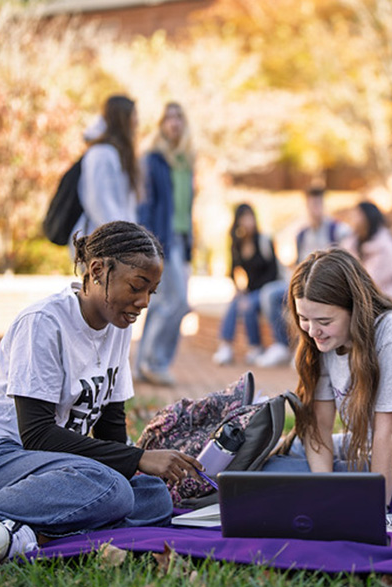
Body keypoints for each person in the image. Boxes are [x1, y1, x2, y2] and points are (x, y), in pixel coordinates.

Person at [0, 222, 204, 563]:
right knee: (109, 488)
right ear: (98, 270)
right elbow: (37, 434)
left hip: (46, 471)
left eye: (151, 293)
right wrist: (137, 458)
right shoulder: (44, 322)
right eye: (137, 287)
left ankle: (20, 533)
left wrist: (139, 465)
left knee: (153, 496)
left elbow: (111, 430)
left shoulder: (117, 328)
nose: (142, 303)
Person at [261, 248, 392, 506]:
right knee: (270, 456)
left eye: (324, 320)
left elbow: (387, 433)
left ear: (355, 309)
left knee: (271, 476)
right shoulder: (326, 340)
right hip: (364, 447)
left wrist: (375, 508)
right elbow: (319, 429)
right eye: (304, 318)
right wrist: (323, 487)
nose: (313, 331)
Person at [135, 102, 197, 386]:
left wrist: (190, 243)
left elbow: (187, 207)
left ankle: (142, 364)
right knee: (178, 302)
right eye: (168, 118)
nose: (173, 123)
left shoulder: (186, 161)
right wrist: (146, 243)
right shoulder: (153, 160)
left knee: (162, 304)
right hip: (162, 239)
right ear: (161, 124)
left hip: (181, 240)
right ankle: (155, 362)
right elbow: (147, 204)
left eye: (178, 118)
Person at [256, 186, 351, 368]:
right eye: (311, 204)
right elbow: (298, 263)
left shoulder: (338, 230)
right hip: (304, 281)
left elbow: (349, 258)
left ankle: (307, 351)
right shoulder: (302, 234)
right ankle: (282, 345)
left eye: (318, 204)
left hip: (328, 285)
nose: (315, 208)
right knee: (269, 293)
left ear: (324, 205)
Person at [212, 203, 280, 366]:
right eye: (244, 218)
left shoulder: (264, 240)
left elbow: (274, 272)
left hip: (268, 289)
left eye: (250, 217)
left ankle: (256, 347)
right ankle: (226, 346)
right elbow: (232, 271)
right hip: (250, 291)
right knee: (235, 303)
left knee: (248, 304)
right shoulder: (237, 244)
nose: (248, 221)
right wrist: (239, 290)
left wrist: (250, 294)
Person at [72, 95, 142, 240]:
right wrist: (122, 238)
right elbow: (99, 202)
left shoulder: (119, 153)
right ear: (122, 119)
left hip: (116, 243)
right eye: (134, 115)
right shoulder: (101, 154)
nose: (137, 121)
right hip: (102, 244)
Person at [341, 201, 392, 304]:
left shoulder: (385, 245)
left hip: (387, 298)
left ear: (367, 218)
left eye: (357, 215)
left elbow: (374, 280)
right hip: (360, 298)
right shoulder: (350, 243)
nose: (353, 219)